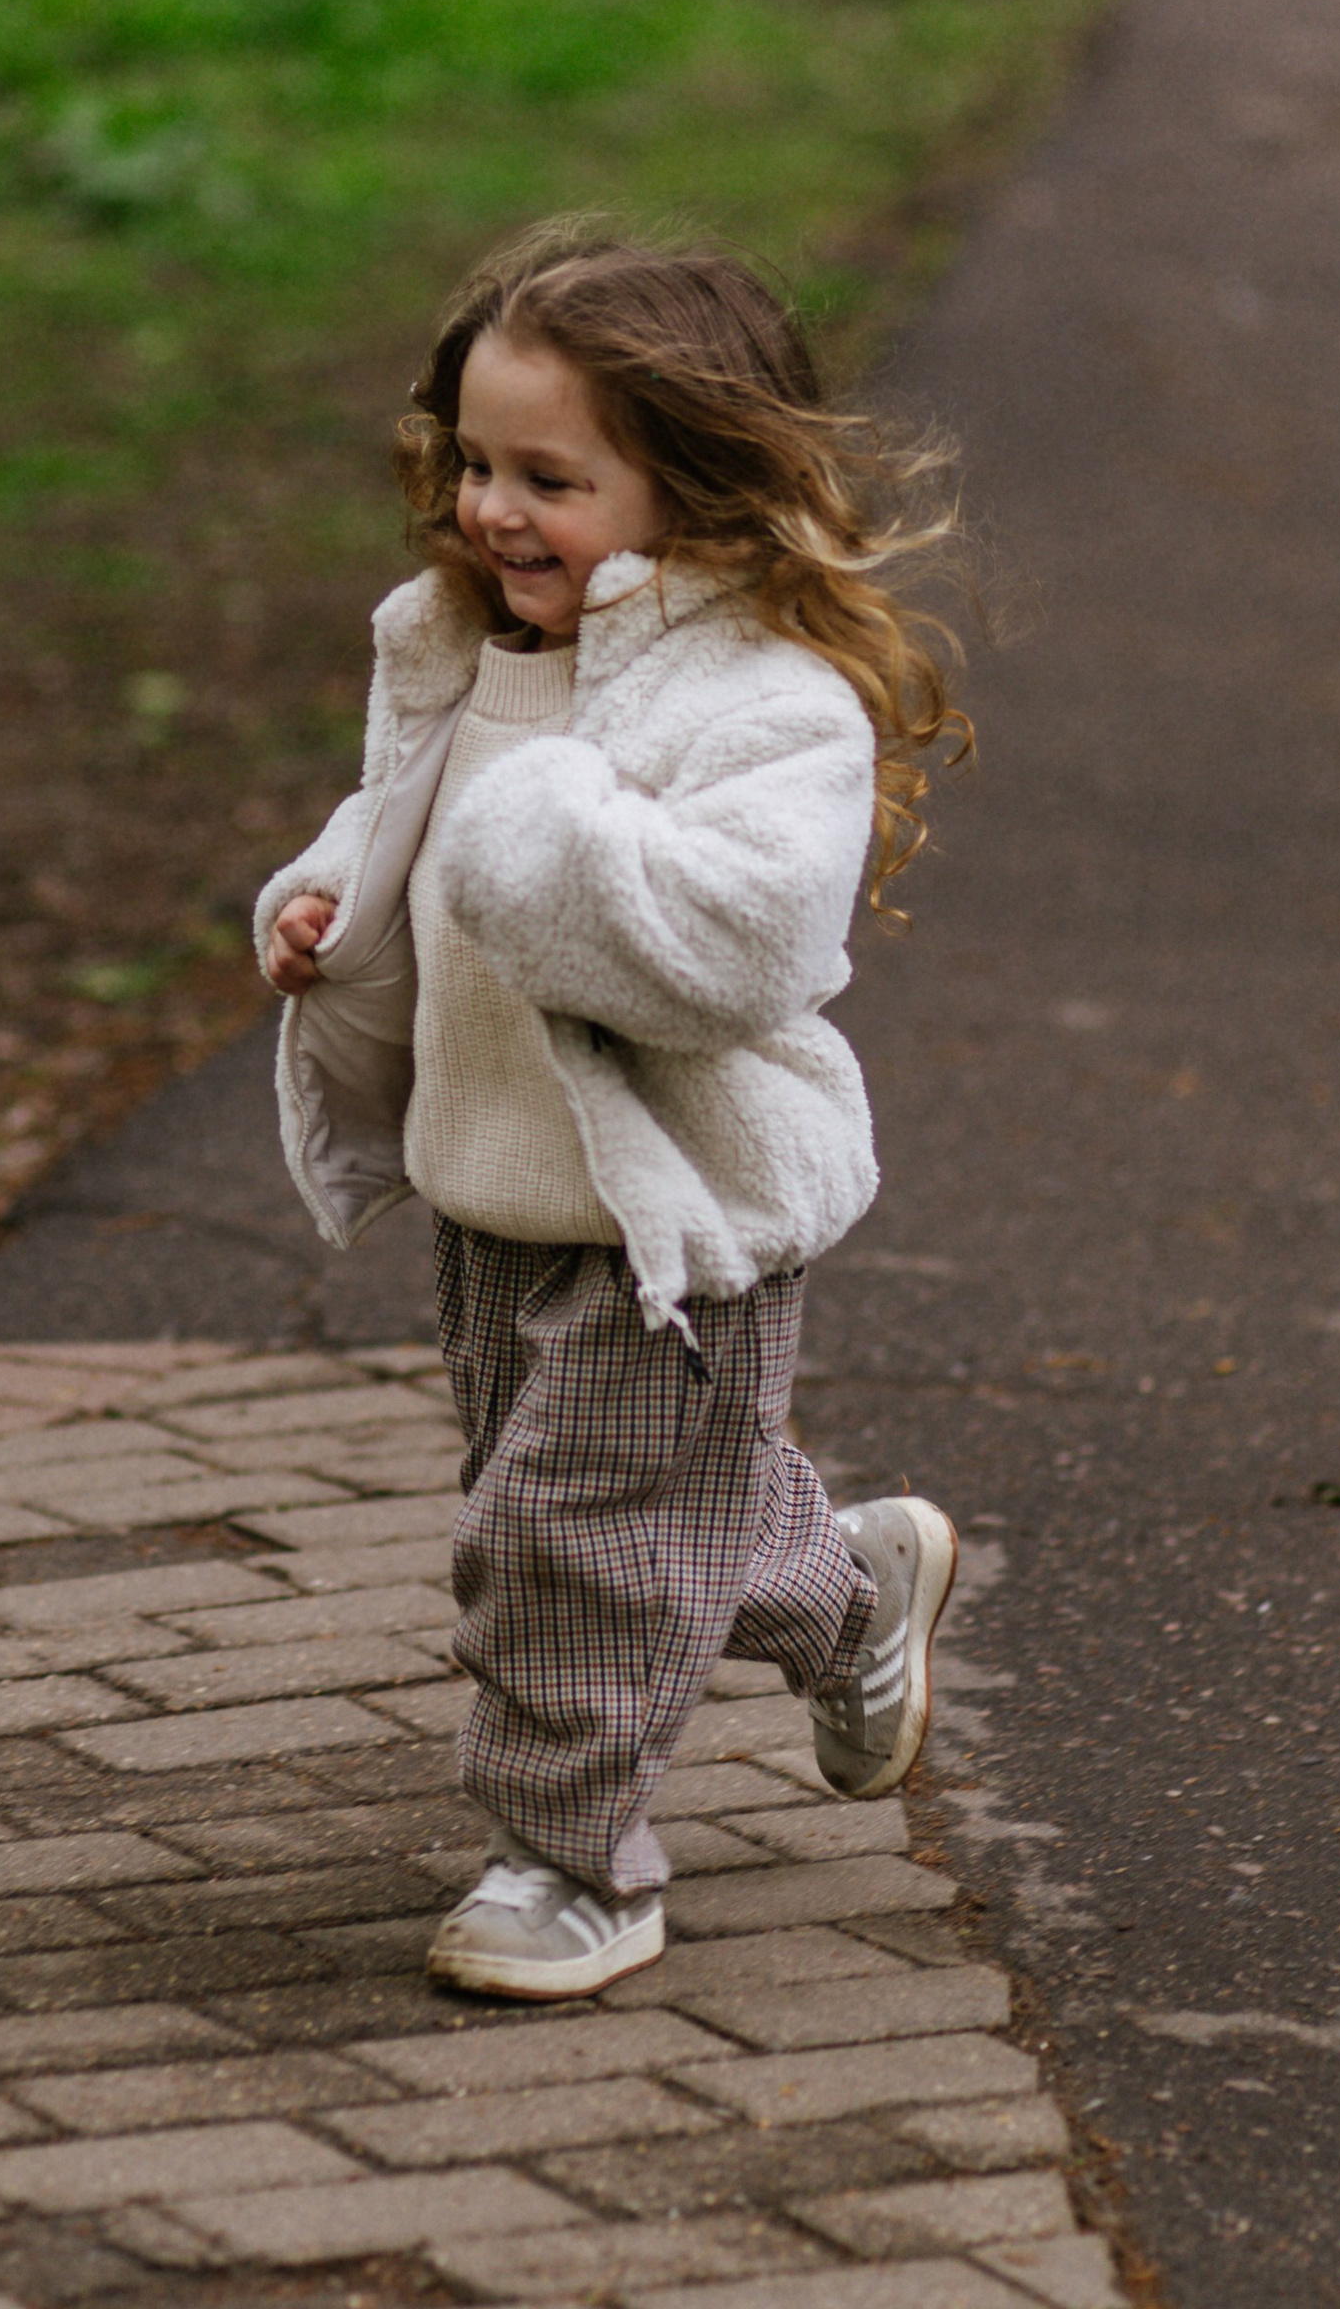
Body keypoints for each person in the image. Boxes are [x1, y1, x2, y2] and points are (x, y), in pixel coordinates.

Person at [255, 223, 968, 2001]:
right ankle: (849, 1595)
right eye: (477, 464)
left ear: (702, 492)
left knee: (565, 1548)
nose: (495, 510)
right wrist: (328, 891)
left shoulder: (767, 701)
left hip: (679, 1228)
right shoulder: (464, 645)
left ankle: (571, 1869)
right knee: (630, 1525)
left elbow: (733, 946)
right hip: (493, 1194)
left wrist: (541, 830)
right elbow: (417, 831)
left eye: (550, 478)